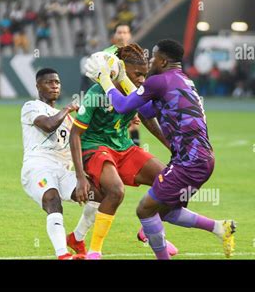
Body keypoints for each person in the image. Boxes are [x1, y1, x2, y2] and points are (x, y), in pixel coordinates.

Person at [85, 39, 236, 259]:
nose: (151, 61)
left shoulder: (158, 82)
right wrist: (124, 79)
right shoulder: (183, 81)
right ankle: (220, 228)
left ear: (163, 61)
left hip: (189, 162)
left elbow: (122, 106)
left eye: (154, 57)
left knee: (144, 210)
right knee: (167, 210)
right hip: (202, 159)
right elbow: (147, 111)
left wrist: (106, 80)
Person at [70, 44, 177, 260]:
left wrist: (171, 145)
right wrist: (80, 177)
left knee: (170, 181)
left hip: (124, 148)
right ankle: (94, 252)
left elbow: (148, 118)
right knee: (116, 191)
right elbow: (75, 135)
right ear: (120, 68)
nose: (141, 79)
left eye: (144, 75)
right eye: (137, 74)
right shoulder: (96, 92)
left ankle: (148, 228)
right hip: (95, 147)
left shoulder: (135, 91)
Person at [21, 68, 103, 260]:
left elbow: (82, 141)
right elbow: (48, 124)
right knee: (52, 199)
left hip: (63, 171)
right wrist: (67, 109)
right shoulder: (31, 106)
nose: (54, 86)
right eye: (49, 82)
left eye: (57, 82)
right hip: (37, 168)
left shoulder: (66, 118)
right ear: (38, 86)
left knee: (99, 195)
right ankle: (63, 254)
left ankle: (77, 237)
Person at [104, 23, 141, 146]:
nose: (122, 35)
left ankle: (135, 152)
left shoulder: (136, 53)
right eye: (119, 32)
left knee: (134, 125)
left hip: (131, 93)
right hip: (113, 95)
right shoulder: (107, 53)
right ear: (114, 35)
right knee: (115, 126)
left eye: (125, 32)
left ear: (130, 35)